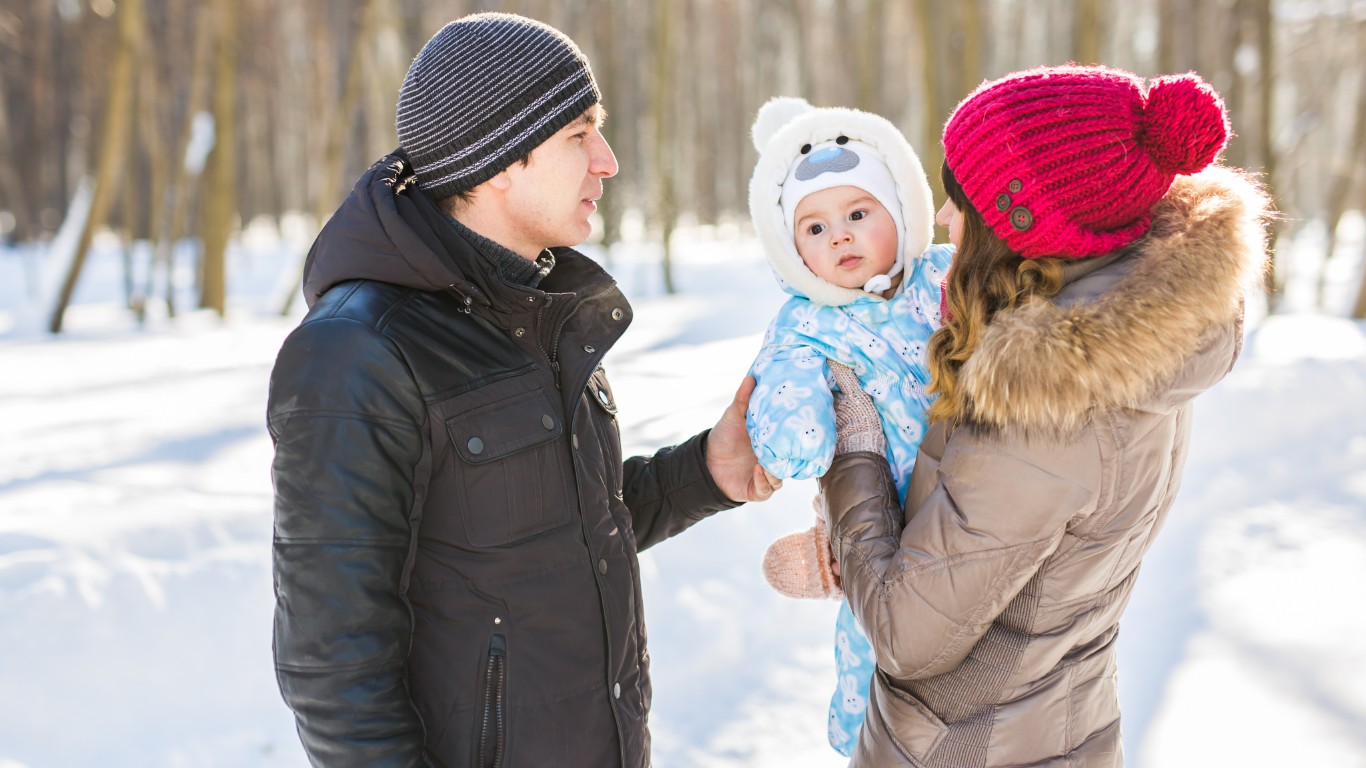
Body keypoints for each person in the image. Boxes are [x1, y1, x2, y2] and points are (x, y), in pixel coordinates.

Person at [266, 13, 777, 767]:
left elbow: (559, 530)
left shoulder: (536, 314)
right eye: (580, 133)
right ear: (501, 160)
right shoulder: (358, 351)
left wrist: (706, 473)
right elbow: (334, 662)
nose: (607, 160)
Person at [815, 65, 1270, 767]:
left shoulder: (1047, 404)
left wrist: (857, 459)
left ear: (1021, 226)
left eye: (958, 199)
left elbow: (909, 634)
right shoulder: (1137, 342)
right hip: (1060, 728)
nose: (943, 220)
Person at [742, 97, 952, 755]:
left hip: (962, 493)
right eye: (814, 228)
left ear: (902, 209)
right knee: (871, 635)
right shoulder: (805, 323)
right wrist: (796, 429)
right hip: (880, 519)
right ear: (789, 246)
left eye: (859, 214)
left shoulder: (943, 276)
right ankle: (864, 736)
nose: (840, 236)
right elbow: (780, 383)